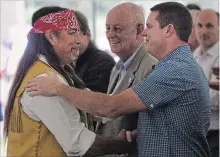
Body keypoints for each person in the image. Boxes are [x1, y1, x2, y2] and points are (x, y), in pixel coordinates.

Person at [27, 2, 211, 157]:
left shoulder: (175, 69)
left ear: (169, 30)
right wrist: (144, 134)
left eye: (149, 26)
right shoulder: (171, 66)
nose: (145, 33)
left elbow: (111, 107)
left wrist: (58, 88)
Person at [4, 8, 135, 157]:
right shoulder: (44, 81)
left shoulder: (48, 73)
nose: (79, 40)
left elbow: (89, 103)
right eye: (72, 33)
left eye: (79, 32)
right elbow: (78, 144)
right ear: (52, 37)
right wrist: (124, 145)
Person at [95, 2, 157, 157]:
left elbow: (153, 126)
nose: (109, 34)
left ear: (138, 30)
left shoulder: (151, 66)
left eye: (117, 29)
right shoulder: (117, 66)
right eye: (107, 28)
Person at [193, 9, 219, 157]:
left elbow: (217, 99)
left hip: (215, 134)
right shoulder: (195, 55)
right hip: (197, 134)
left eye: (209, 25)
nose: (203, 31)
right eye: (199, 25)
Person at [74, 11, 115, 93]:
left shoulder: (103, 63)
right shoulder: (66, 61)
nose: (69, 40)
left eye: (73, 33)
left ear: (87, 34)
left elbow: (90, 102)